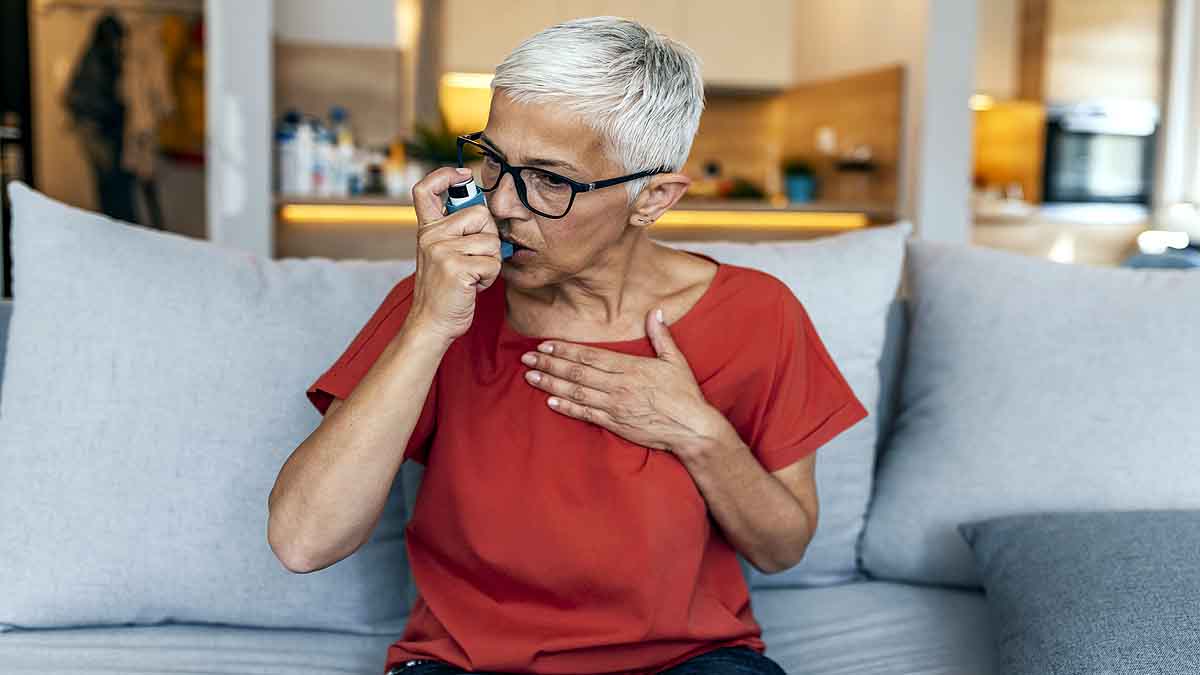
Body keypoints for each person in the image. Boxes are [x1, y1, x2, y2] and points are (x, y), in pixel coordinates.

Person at [269, 16, 868, 675]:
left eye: (550, 180)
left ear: (653, 198)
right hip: (468, 665)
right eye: (494, 162)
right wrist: (430, 326)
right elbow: (302, 540)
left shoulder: (757, 313)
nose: (500, 205)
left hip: (688, 661)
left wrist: (698, 432)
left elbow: (782, 547)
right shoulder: (441, 298)